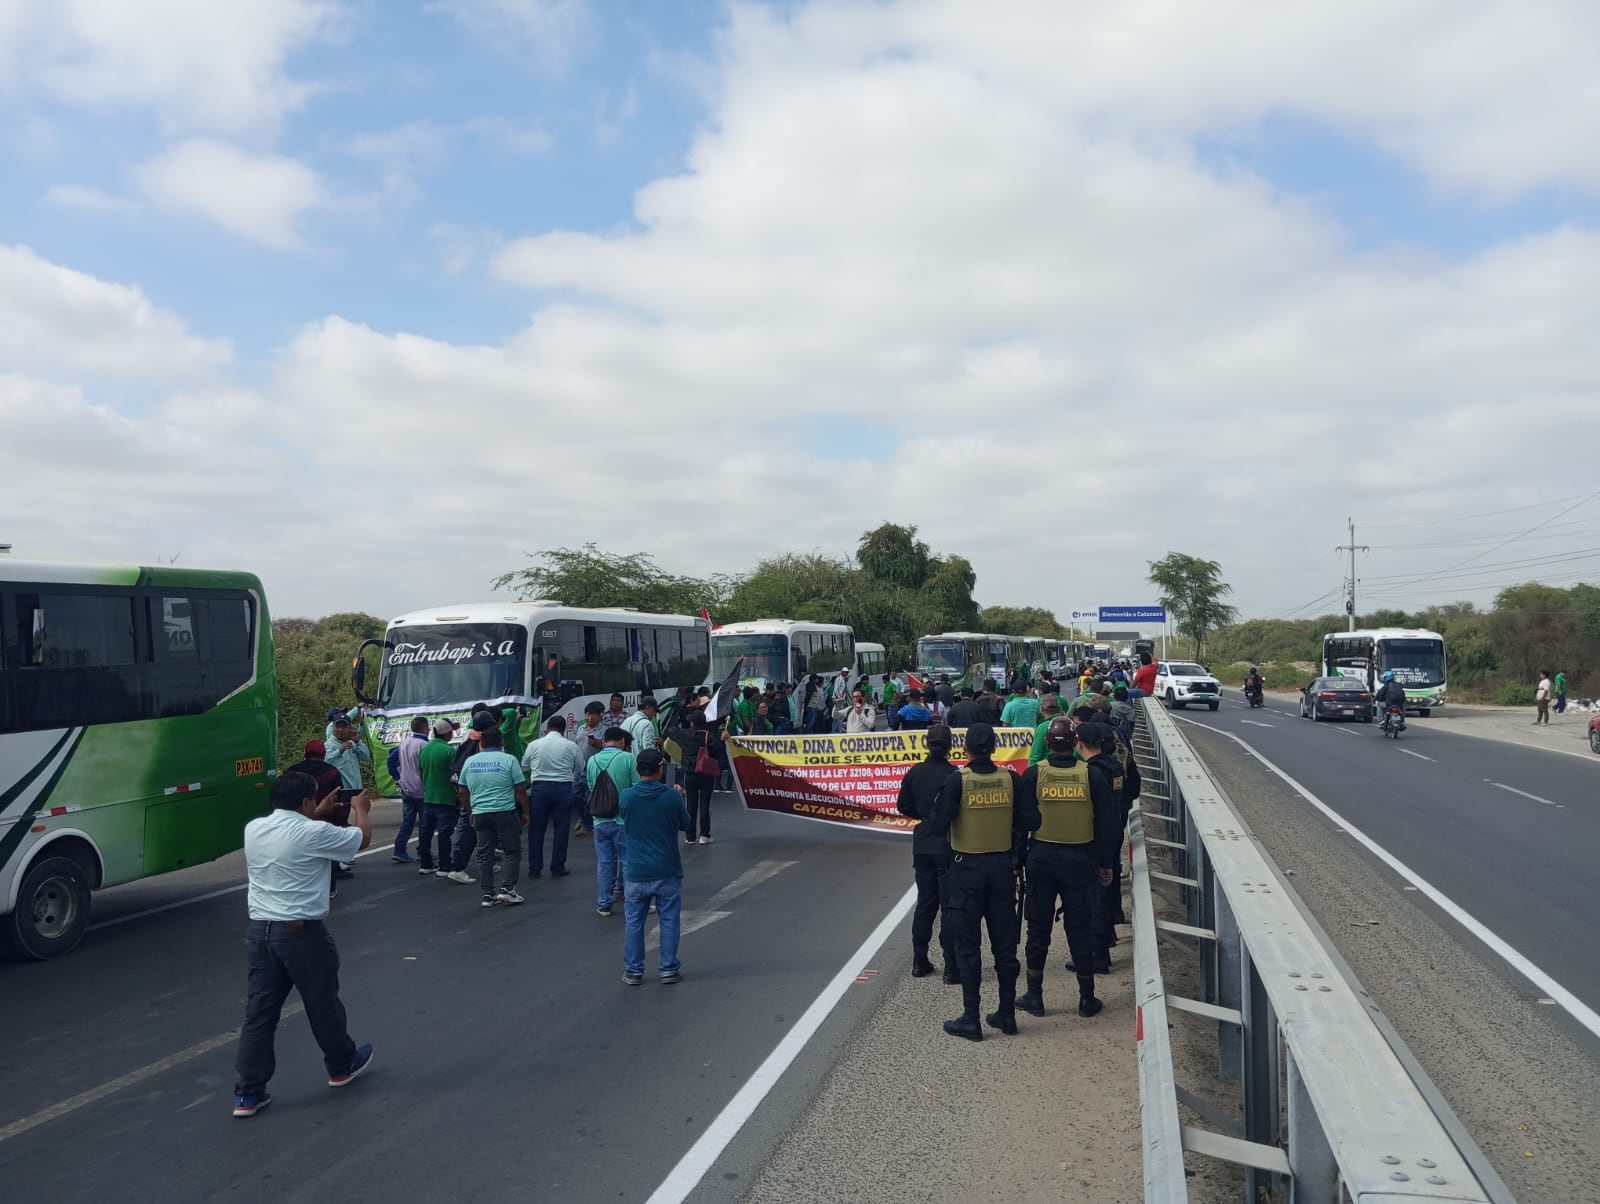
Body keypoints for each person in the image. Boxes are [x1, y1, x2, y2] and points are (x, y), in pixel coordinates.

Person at [232, 771, 375, 1118]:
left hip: (261, 932)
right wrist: (361, 809)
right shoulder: (314, 832)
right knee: (322, 1004)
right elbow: (362, 840)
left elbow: (295, 831)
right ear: (306, 802)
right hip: (302, 934)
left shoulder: (254, 828)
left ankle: (249, 1093)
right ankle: (341, 1065)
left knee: (259, 1015)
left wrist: (318, 812)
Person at [921, 722, 1024, 1040]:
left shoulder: (957, 781)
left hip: (966, 872)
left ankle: (971, 1017)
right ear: (994, 747)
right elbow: (1032, 819)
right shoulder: (1010, 779)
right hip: (1002, 868)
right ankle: (1007, 1014)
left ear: (965, 748)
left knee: (968, 947)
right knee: (1005, 947)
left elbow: (938, 826)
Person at [1014, 717, 1118, 1019]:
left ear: (1047, 743)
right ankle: (1087, 998)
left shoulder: (1033, 775)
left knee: (1038, 930)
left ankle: (1034, 995)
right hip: (1080, 861)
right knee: (1080, 930)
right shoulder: (1092, 775)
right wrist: (1105, 862)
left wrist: (1017, 864)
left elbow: (1020, 825)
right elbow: (1107, 825)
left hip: (1042, 860)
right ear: (1075, 743)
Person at [620, 750, 693, 985]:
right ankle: (668, 968)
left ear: (638, 770)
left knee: (634, 921)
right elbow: (686, 824)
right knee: (669, 919)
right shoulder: (672, 797)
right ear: (661, 769)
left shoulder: (627, 797)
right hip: (667, 868)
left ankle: (633, 970)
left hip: (636, 870)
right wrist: (681, 797)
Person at [895, 723, 961, 983]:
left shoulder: (915, 773)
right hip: (947, 843)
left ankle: (919, 961)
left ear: (925, 744)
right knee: (949, 906)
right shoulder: (954, 775)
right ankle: (950, 966)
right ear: (950, 747)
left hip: (922, 843)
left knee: (925, 904)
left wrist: (924, 817)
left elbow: (903, 805)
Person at [1072, 722, 1124, 976]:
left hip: (1096, 843)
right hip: (1114, 838)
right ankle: (1103, 948)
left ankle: (1097, 957)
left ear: (1079, 743)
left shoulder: (1091, 773)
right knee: (1104, 897)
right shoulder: (1115, 766)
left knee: (1094, 902)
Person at [459, 727, 530, 908]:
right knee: (511, 850)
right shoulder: (509, 760)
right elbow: (520, 789)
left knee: (484, 853)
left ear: (481, 743)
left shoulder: (470, 761)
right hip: (505, 811)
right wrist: (526, 811)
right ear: (501, 743)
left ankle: (487, 894)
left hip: (480, 813)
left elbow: (462, 790)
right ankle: (507, 889)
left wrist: (470, 812)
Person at [522, 715, 580, 877]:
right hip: (563, 788)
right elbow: (580, 767)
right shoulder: (571, 745)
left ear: (547, 728)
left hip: (540, 788)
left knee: (536, 830)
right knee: (561, 829)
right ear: (563, 730)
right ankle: (557, 866)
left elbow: (525, 765)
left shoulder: (534, 745)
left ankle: (535, 869)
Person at [589, 728, 638, 917]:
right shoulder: (628, 759)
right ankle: (632, 900)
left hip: (599, 820)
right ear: (621, 741)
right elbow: (636, 788)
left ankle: (604, 904)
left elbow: (591, 787)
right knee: (627, 861)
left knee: (604, 862)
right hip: (623, 819)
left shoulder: (592, 761)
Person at [444, 710, 496, 884]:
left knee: (476, 826)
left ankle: (484, 861)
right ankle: (457, 867)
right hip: (479, 791)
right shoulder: (482, 741)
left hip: (465, 788)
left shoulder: (468, 739)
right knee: (471, 827)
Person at [667, 710, 718, 844]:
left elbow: (671, 731)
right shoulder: (710, 736)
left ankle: (690, 836)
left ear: (692, 723)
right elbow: (717, 752)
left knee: (690, 804)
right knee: (705, 803)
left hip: (690, 773)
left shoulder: (685, 734)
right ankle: (704, 835)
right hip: (707, 773)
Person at [416, 718, 459, 876]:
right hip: (446, 798)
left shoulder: (425, 750)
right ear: (446, 733)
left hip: (428, 797)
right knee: (444, 834)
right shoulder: (449, 751)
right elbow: (454, 776)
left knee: (425, 832)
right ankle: (444, 866)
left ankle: (425, 864)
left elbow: (420, 773)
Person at [389, 715, 429, 863]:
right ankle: (423, 850)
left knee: (408, 821)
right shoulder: (424, 745)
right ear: (425, 728)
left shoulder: (404, 743)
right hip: (421, 788)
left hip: (406, 787)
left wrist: (397, 777)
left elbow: (391, 760)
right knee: (426, 823)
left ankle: (399, 850)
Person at [570, 701, 607, 836]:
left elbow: (607, 748)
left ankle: (587, 825)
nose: (590, 718)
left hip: (593, 769)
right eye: (588, 714)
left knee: (590, 798)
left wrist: (597, 743)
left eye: (593, 715)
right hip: (578, 768)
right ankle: (582, 818)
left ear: (600, 716)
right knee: (576, 796)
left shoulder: (604, 730)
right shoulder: (581, 728)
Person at [1028, 694, 1063, 766]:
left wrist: (1029, 772)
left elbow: (1035, 754)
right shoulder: (1068, 723)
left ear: (1041, 709)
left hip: (1046, 768)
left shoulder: (1043, 728)